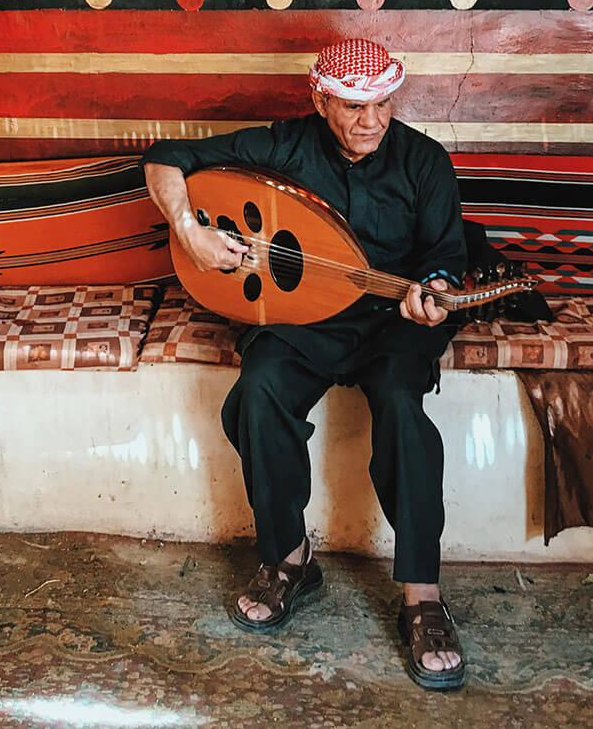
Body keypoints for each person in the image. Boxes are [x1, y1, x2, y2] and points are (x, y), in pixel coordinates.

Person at [142, 38, 469, 691]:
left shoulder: (424, 161)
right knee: (259, 390)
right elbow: (165, 158)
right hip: (305, 319)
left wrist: (431, 294)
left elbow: (445, 254)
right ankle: (289, 558)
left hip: (393, 323)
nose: (371, 119)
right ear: (320, 99)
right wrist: (191, 228)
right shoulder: (286, 144)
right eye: (352, 105)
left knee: (404, 406)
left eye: (381, 102)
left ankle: (422, 596)